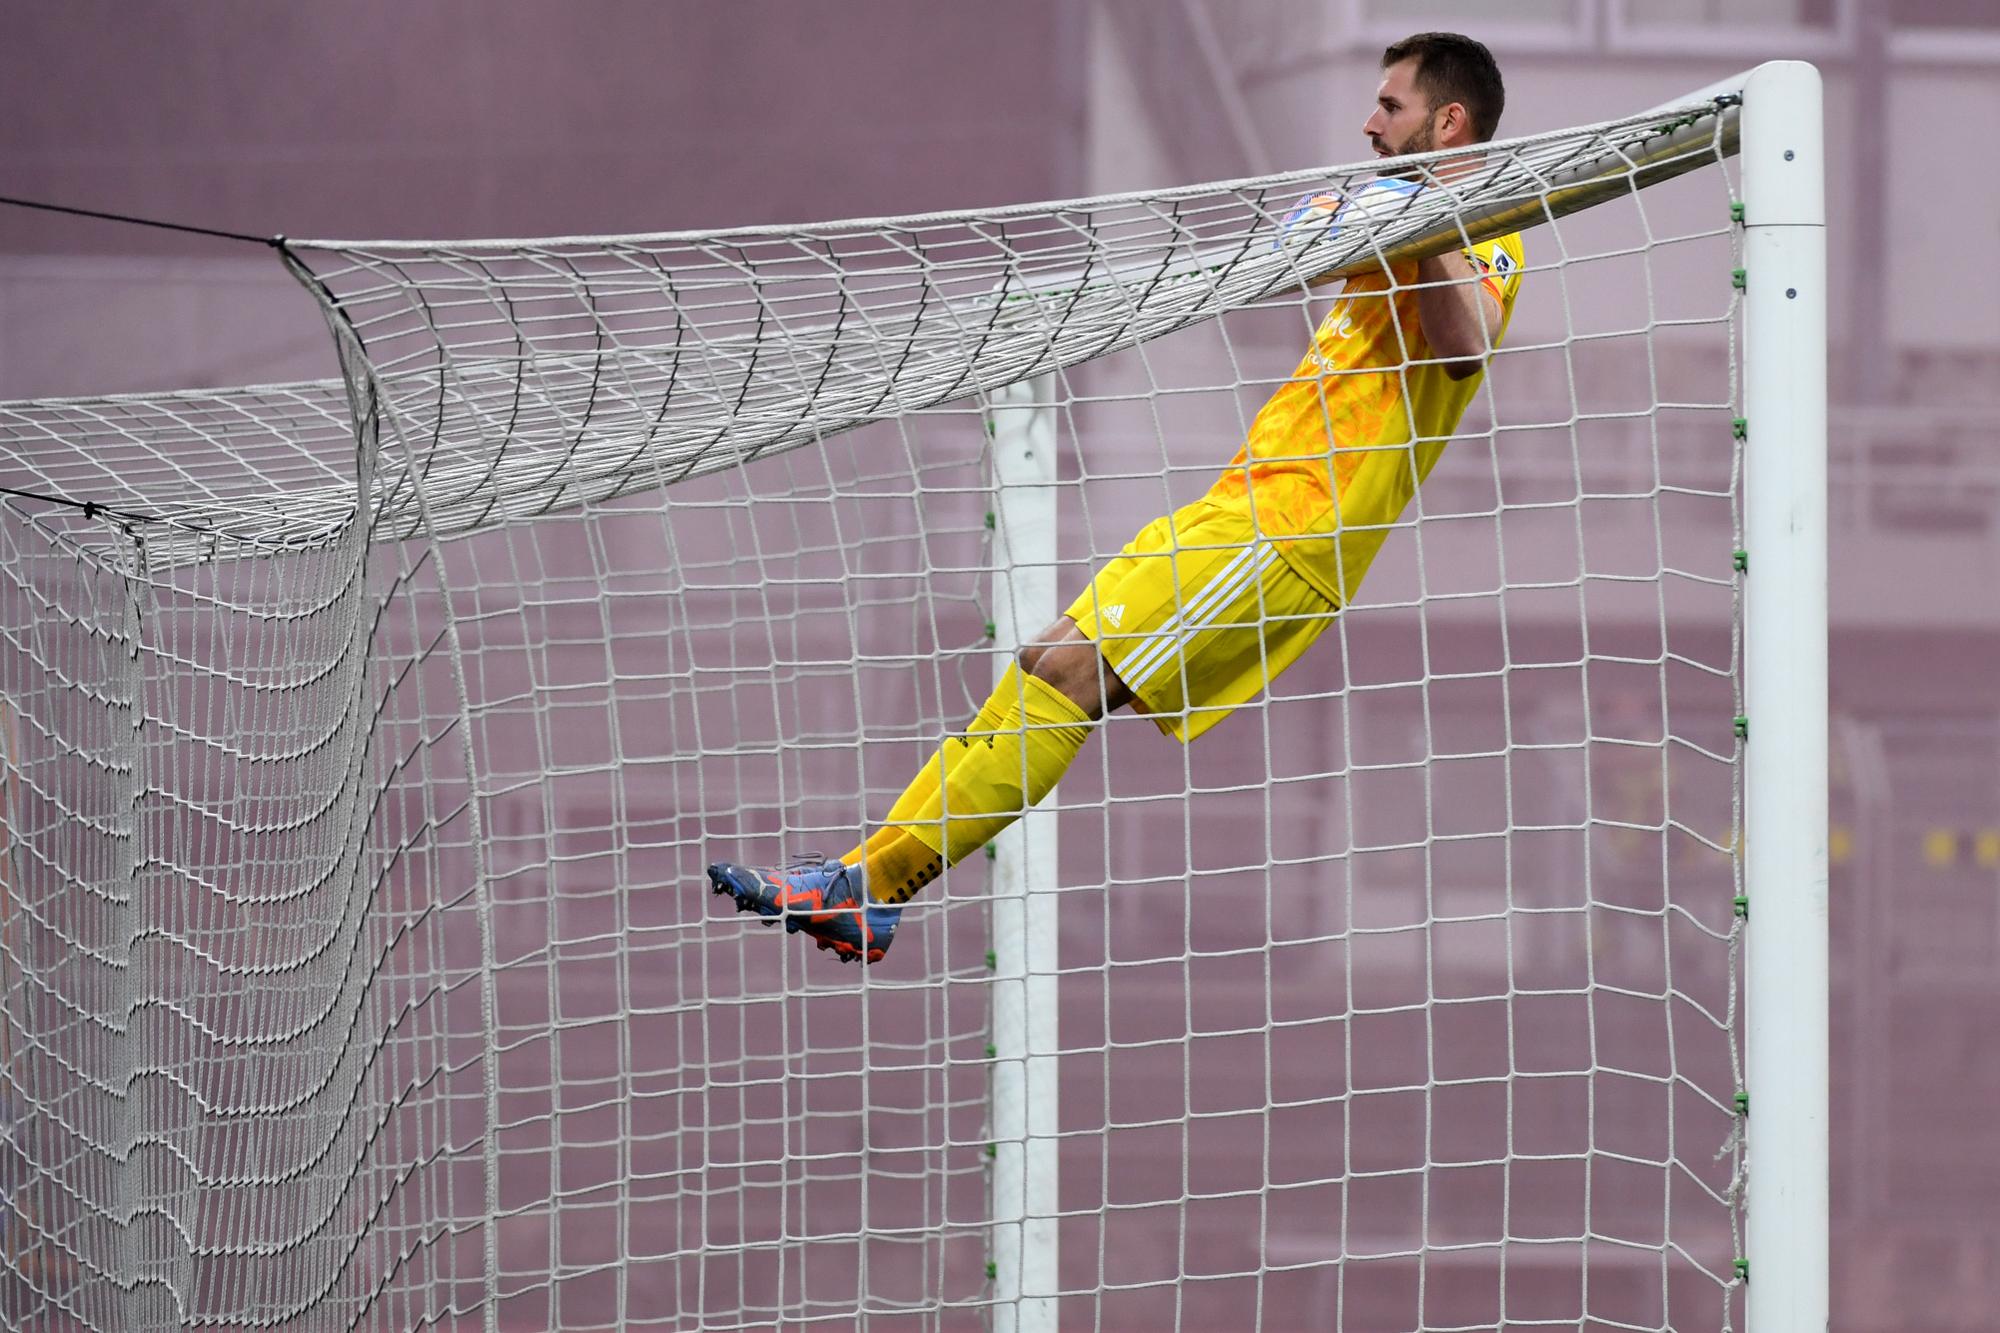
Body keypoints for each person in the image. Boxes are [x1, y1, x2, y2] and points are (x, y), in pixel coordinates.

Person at [709, 32, 1524, 964]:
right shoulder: (1387, 213)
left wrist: (1423, 222)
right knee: (1044, 659)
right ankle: (864, 882)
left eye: (1391, 107)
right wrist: (1350, 218)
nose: (1369, 123)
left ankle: (872, 887)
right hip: (1242, 505)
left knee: (1069, 676)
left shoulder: (1484, 237)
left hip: (1297, 527)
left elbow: (1465, 345)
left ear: (1448, 121)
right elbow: (1285, 262)